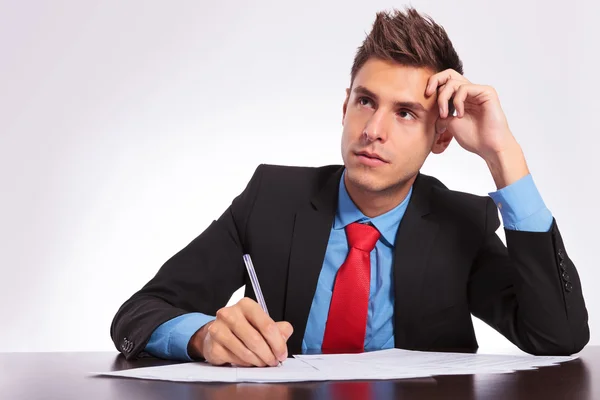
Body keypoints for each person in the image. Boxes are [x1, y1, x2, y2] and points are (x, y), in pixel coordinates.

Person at [110, 7, 589, 367]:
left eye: (405, 113)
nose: (373, 129)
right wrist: (202, 336)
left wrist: (502, 156)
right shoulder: (271, 202)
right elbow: (138, 313)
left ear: (441, 135)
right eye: (365, 101)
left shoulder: (461, 225)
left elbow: (558, 335)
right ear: (345, 107)